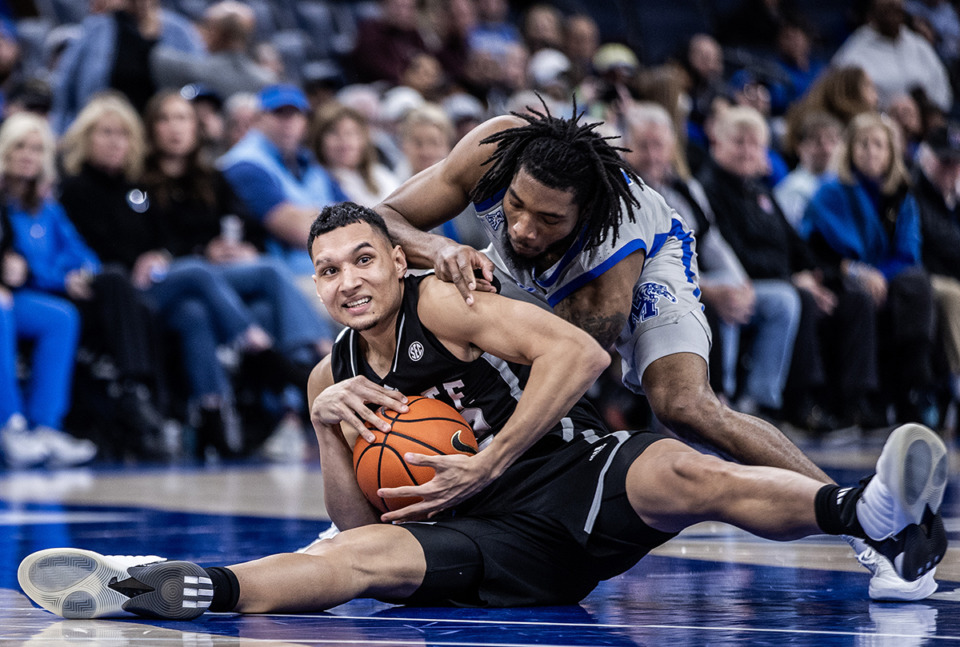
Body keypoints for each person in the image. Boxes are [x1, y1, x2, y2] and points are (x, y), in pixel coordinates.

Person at [16, 204, 949, 619]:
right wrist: (326, 422)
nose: (348, 280)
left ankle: (865, 513)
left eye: (363, 259)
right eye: (329, 269)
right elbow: (353, 519)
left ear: (395, 259)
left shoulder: (443, 300)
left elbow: (580, 354)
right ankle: (174, 589)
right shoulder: (326, 375)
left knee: (679, 468)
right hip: (482, 538)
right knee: (354, 558)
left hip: (561, 475)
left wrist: (493, 455)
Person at [372, 103, 936, 601]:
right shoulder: (492, 147)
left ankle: (867, 525)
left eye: (548, 220)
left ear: (582, 212)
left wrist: (487, 466)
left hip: (649, 263)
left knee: (684, 405)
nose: (521, 228)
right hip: (533, 277)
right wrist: (436, 245)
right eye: (515, 206)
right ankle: (377, 481)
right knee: (403, 292)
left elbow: (573, 371)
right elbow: (378, 223)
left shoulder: (610, 252)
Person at [802, 111, 938, 428]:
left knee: (916, 284)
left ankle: (914, 388)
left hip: (888, 280)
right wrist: (858, 272)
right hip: (840, 276)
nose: (870, 152)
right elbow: (814, 251)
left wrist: (881, 277)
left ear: (891, 153)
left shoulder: (902, 195)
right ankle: (860, 401)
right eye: (862, 144)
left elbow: (908, 253)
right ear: (850, 150)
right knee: (863, 298)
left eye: (878, 145)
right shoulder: (830, 193)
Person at [0, 118, 97, 468]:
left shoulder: (45, 207)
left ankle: (45, 424)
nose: (28, 156)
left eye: (37, 148)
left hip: (21, 294)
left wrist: (68, 275)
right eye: (20, 146)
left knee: (60, 317)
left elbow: (81, 255)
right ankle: (9, 423)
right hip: (6, 298)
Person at [218, 84, 349, 284]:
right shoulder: (243, 164)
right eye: (279, 114)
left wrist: (312, 215)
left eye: (295, 114)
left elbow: (359, 217)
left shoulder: (306, 160)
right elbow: (299, 230)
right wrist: (334, 215)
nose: (288, 123)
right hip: (288, 279)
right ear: (258, 119)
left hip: (330, 271)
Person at [50, 0, 203, 133]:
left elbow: (200, 81)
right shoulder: (96, 29)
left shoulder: (180, 31)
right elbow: (65, 87)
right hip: (102, 134)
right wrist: (60, 130)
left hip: (158, 139)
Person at [910, 123, 960, 405]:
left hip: (949, 274)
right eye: (945, 161)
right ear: (928, 159)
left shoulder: (953, 201)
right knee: (953, 294)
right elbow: (943, 246)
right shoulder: (916, 194)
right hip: (925, 276)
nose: (952, 169)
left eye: (957, 162)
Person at [832, 0, 952, 112]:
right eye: (887, 11)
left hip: (924, 120)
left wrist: (933, 110)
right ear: (872, 15)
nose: (893, 17)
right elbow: (842, 95)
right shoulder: (854, 50)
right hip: (877, 121)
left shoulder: (918, 45)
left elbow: (941, 86)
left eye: (897, 11)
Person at [150, 1, 277, 100]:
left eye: (207, 28)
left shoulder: (198, 71)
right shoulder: (267, 80)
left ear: (215, 33)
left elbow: (158, 57)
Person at [309, 102, 400, 208]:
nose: (343, 140)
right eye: (334, 132)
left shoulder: (381, 175)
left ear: (363, 138)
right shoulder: (315, 180)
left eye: (350, 133)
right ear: (319, 140)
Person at [775, 111, 844, 229]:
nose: (826, 149)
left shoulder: (848, 184)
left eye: (832, 141)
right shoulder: (792, 190)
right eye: (818, 142)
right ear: (799, 146)